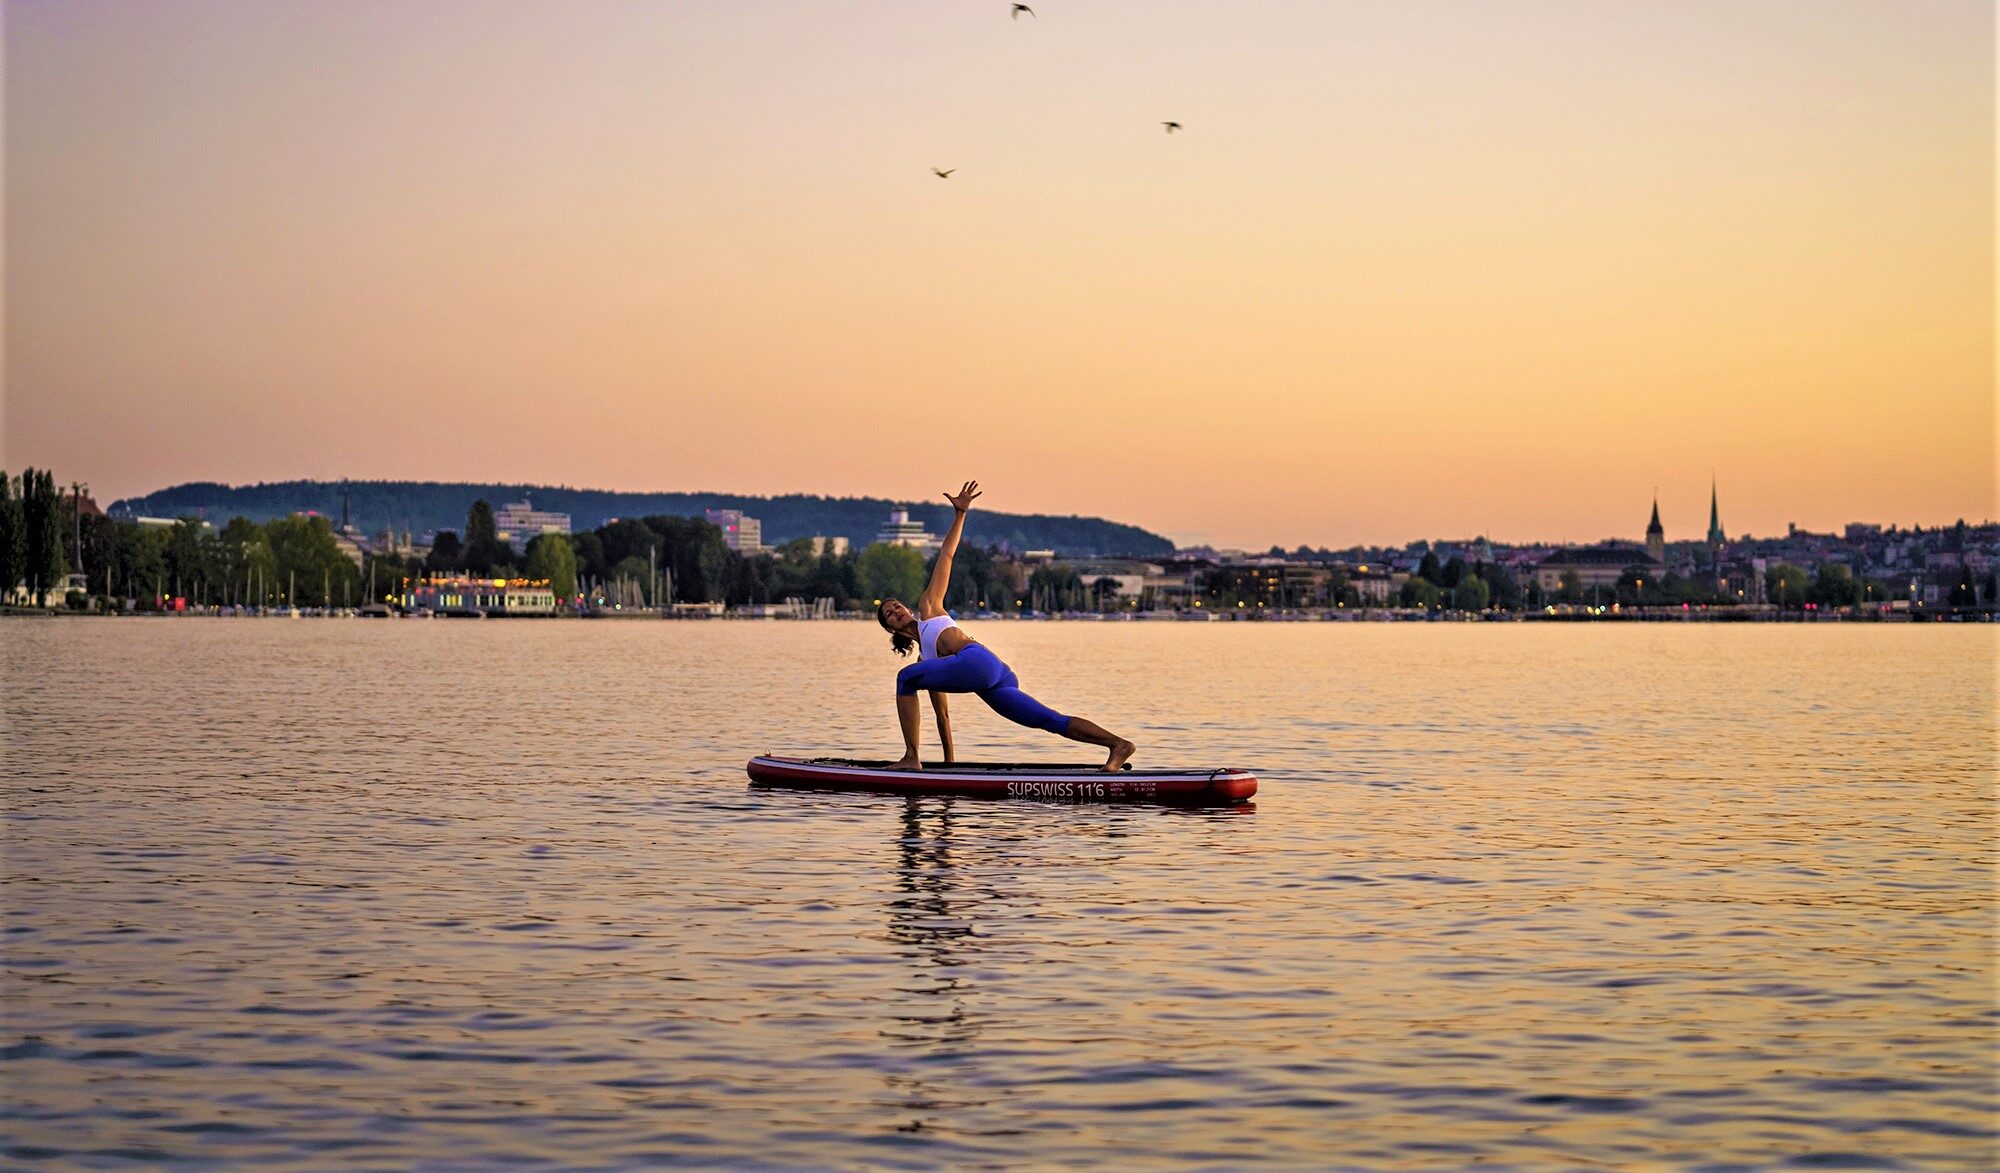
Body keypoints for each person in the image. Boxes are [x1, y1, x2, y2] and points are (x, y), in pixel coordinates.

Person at [876, 481, 1136, 772]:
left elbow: (946, 556)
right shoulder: (926, 662)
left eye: (896, 605)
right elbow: (943, 716)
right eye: (888, 614)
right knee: (1049, 720)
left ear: (907, 608)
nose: (895, 611)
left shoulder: (929, 608)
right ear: (890, 628)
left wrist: (960, 514)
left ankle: (911, 758)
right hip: (997, 678)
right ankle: (1117, 745)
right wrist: (949, 766)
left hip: (978, 661)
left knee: (904, 678)